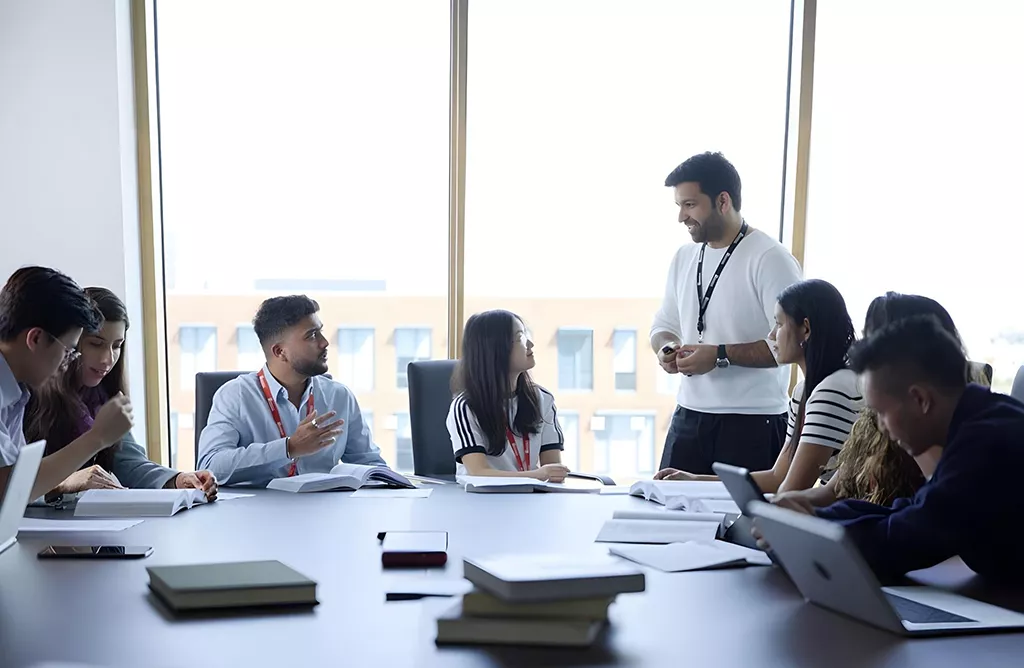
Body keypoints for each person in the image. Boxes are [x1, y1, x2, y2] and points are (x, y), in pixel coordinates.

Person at [768, 316, 1024, 581]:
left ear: (920, 399)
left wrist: (805, 531)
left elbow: (895, 543)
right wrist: (813, 516)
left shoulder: (984, 448)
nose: (880, 427)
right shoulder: (980, 419)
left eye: (882, 412)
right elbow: (909, 511)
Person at [651, 152, 802, 474]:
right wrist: (666, 349)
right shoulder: (684, 256)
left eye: (690, 205)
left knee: (744, 525)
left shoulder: (770, 258)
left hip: (753, 422)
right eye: (679, 205)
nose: (681, 217)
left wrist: (719, 355)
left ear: (722, 201)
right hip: (688, 416)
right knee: (668, 513)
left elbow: (794, 344)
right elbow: (664, 325)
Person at [772, 292, 992, 511]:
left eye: (875, 344)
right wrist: (790, 507)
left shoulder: (933, 430)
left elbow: (914, 523)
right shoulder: (874, 421)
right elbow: (831, 492)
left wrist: (825, 519)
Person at [655, 279, 862, 494]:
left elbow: (792, 490)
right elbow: (777, 477)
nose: (772, 336)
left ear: (806, 329)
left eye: (779, 324)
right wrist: (695, 480)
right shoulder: (805, 392)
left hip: (856, 518)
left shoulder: (831, 392)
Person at [24, 288, 217, 500]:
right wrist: (62, 483)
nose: (108, 359)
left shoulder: (103, 396)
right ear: (72, 340)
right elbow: (9, 485)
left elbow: (128, 462)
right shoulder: (28, 393)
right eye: (96, 344)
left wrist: (178, 479)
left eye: (117, 346)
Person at [198, 295, 385, 486]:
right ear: (280, 352)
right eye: (312, 335)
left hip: (325, 510)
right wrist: (289, 448)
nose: (324, 342)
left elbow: (370, 464)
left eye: (320, 332)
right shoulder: (235, 396)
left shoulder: (339, 396)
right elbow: (210, 466)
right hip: (258, 512)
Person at [0, 267, 133, 500]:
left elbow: (18, 483)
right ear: (36, 338)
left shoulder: (16, 393)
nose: (67, 363)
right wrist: (96, 437)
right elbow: (8, 488)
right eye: (69, 351)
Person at [447, 310, 569, 481]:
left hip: (531, 498)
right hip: (482, 501)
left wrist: (547, 476)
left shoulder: (543, 399)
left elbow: (552, 470)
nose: (530, 344)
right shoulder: (466, 407)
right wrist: (536, 475)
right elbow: (478, 472)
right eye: (520, 338)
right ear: (495, 349)